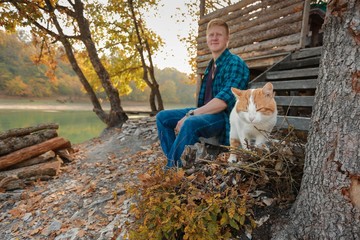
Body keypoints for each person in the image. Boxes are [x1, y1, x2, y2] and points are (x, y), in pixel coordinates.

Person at [156, 18, 249, 169]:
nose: (214, 38)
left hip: (224, 117)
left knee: (190, 123)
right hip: (207, 114)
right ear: (207, 39)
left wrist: (191, 114)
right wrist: (193, 113)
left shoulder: (235, 63)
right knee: (162, 117)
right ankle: (175, 163)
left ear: (227, 39)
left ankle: (171, 171)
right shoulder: (211, 66)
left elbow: (223, 102)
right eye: (211, 35)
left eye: (219, 35)